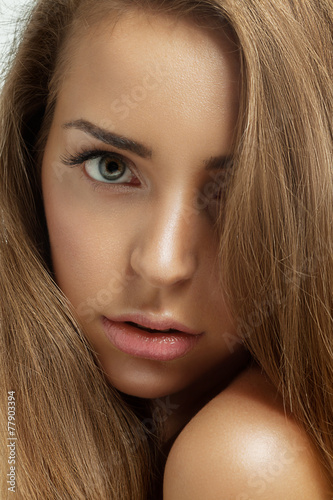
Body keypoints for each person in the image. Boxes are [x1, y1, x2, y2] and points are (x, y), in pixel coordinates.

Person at [0, 0, 332, 498]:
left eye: (236, 191)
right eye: (110, 167)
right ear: (32, 154)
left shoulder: (250, 459)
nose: (162, 264)